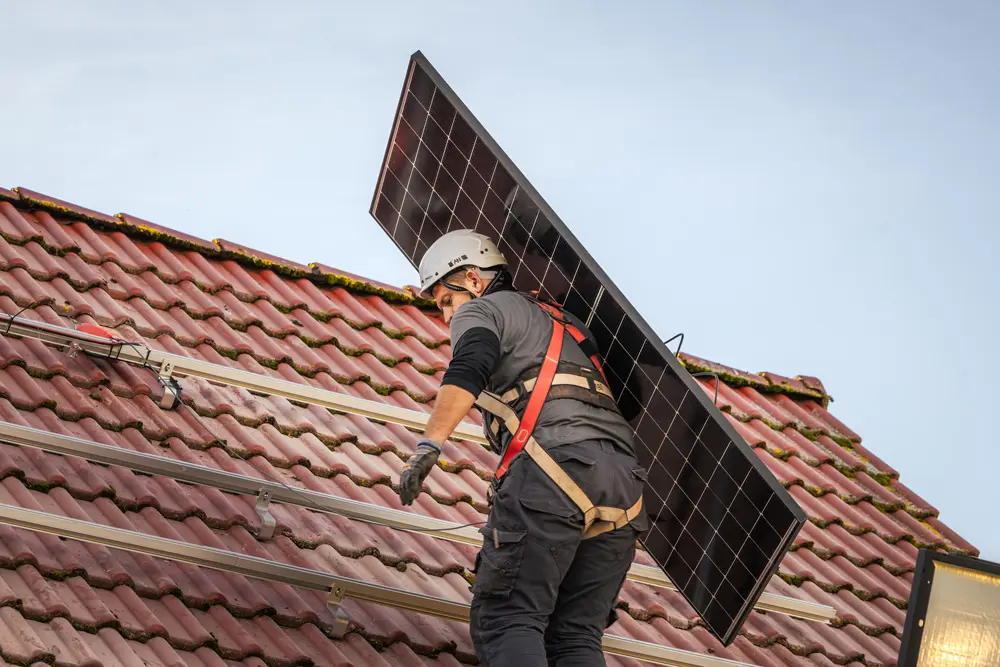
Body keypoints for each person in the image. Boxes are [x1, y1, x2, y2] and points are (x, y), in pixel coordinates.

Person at [396, 229, 649, 666]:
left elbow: (469, 367)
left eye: (444, 300)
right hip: (625, 488)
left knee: (507, 619)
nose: (445, 316)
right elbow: (632, 401)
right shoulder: (571, 323)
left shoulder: (482, 311)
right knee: (574, 638)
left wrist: (429, 444)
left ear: (473, 280)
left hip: (554, 471)